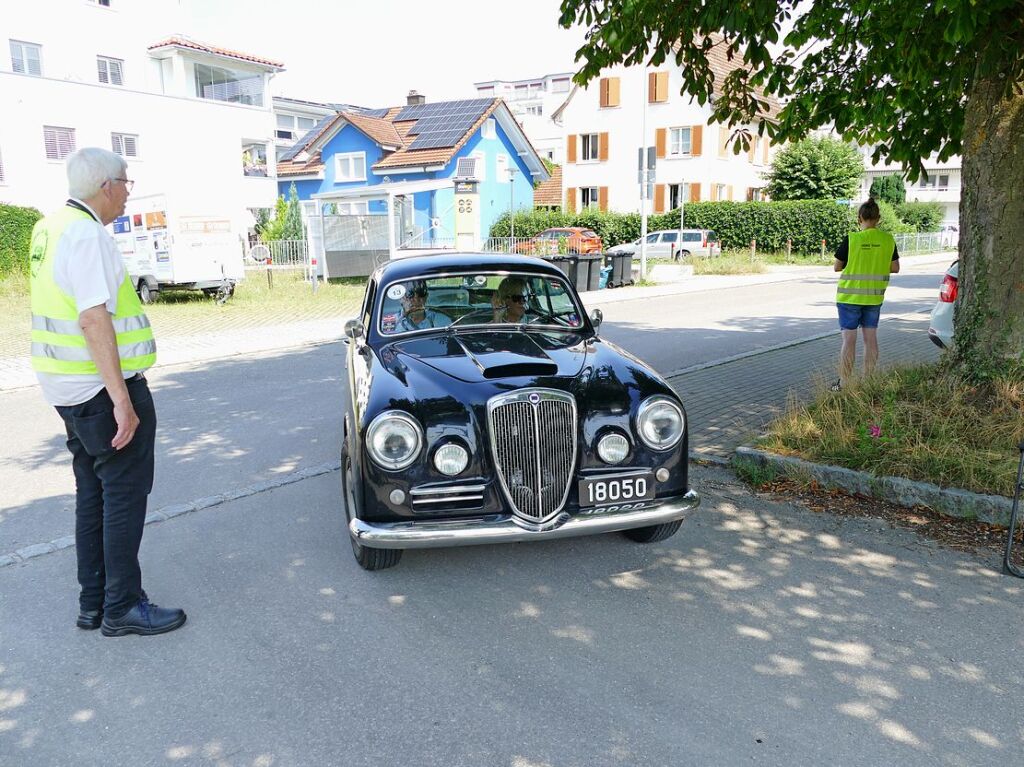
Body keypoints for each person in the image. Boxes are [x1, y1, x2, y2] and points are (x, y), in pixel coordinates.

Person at [29, 147, 186, 636]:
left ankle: (93, 603)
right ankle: (121, 607)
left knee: (92, 493)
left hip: (66, 388)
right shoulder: (86, 233)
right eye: (125, 183)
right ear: (105, 186)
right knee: (122, 495)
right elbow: (93, 317)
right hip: (101, 390)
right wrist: (122, 399)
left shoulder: (48, 227)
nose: (126, 193)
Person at [831, 198, 900, 391]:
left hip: (849, 299)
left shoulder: (852, 239)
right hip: (874, 298)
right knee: (871, 339)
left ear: (860, 217)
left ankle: (844, 383)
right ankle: (868, 380)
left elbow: (837, 266)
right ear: (878, 218)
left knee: (849, 340)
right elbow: (895, 268)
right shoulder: (888, 240)